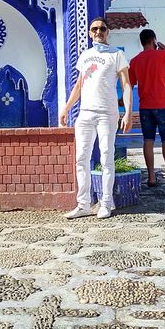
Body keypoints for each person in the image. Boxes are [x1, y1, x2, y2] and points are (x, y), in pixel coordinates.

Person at [59, 17, 132, 219]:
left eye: (102, 28)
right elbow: (79, 85)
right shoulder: (86, 56)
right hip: (85, 113)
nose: (98, 31)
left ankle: (105, 203)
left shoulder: (117, 54)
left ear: (108, 32)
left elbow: (126, 85)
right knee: (81, 158)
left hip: (107, 113)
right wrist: (66, 108)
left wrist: (127, 112)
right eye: (94, 29)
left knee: (106, 157)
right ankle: (83, 204)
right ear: (90, 32)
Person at [129, 28, 165, 188]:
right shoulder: (162, 55)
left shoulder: (134, 61)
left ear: (141, 42)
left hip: (145, 106)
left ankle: (151, 177)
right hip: (164, 105)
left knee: (148, 140)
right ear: (154, 40)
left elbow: (130, 83)